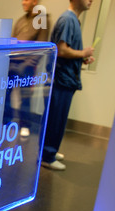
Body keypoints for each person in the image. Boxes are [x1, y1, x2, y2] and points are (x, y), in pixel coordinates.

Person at [41, 0, 95, 171]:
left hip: (65, 80)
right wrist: (83, 53)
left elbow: (67, 51)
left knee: (58, 119)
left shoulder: (72, 20)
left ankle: (50, 151)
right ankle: (47, 156)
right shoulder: (67, 20)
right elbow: (62, 50)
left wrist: (81, 57)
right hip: (61, 80)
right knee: (56, 119)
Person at [4, 0, 51, 137]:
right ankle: (6, 121)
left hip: (27, 65)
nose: (23, 2)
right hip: (12, 62)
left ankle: (25, 125)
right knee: (6, 94)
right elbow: (12, 42)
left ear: (35, 1)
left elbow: (41, 47)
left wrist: (27, 64)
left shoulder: (42, 19)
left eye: (26, 0)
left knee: (25, 97)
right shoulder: (20, 20)